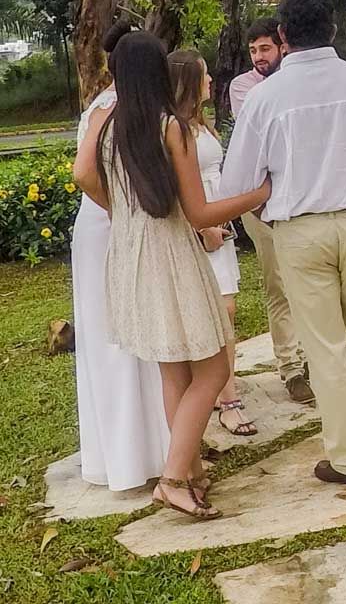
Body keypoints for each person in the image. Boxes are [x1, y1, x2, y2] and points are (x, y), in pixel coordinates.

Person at [221, 0, 346, 487]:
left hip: (299, 230)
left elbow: (237, 181)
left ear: (283, 35)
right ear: (332, 28)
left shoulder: (265, 98)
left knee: (324, 346)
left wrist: (271, 204)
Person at [73, 33, 271, 519]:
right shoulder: (171, 127)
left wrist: (120, 209)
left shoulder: (109, 124)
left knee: (174, 369)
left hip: (130, 253)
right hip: (170, 254)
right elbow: (199, 213)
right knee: (214, 369)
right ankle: (174, 478)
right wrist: (258, 194)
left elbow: (83, 175)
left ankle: (191, 469)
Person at [68, 21, 171, 494]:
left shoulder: (130, 103)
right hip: (106, 231)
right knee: (115, 337)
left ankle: (158, 446)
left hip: (124, 226)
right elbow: (84, 173)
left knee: (143, 335)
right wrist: (116, 207)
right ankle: (127, 457)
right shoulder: (107, 108)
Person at [169, 48, 255, 438]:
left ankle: (226, 391)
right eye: (203, 75)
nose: (209, 81)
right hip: (199, 224)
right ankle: (223, 397)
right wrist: (203, 228)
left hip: (219, 220)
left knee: (227, 311)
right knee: (219, 310)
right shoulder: (175, 127)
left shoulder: (202, 124)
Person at [225, 17, 309, 405]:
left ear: (283, 47)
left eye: (265, 48)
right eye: (253, 50)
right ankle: (291, 367)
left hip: (302, 197)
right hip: (260, 204)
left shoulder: (297, 82)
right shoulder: (244, 87)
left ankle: (314, 357)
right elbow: (271, 135)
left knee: (310, 282)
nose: (259, 56)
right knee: (278, 283)